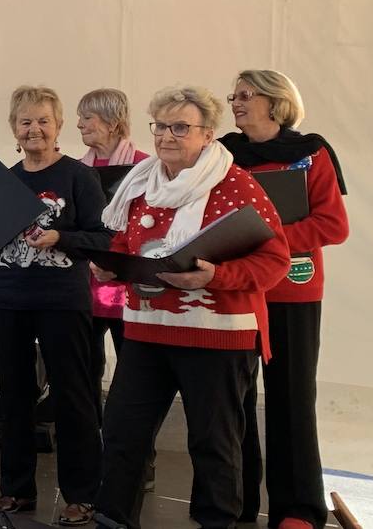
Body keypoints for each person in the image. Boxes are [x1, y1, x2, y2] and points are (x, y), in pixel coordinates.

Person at [92, 85, 291, 529]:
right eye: (160, 126)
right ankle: (113, 518)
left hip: (216, 334)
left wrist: (216, 277)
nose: (166, 136)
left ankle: (216, 523)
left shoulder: (237, 184)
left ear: (208, 134)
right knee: (123, 434)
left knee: (213, 443)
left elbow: (275, 260)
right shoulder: (141, 182)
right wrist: (113, 266)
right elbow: (127, 242)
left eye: (180, 127)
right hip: (145, 329)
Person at [0, 85, 108, 524]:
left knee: (73, 396)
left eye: (43, 120)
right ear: (14, 128)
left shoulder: (78, 177)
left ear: (58, 126)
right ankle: (17, 490)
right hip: (8, 299)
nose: (34, 129)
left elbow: (103, 239)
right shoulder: (3, 180)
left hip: (62, 300)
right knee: (14, 397)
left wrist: (60, 237)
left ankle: (81, 494)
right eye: (25, 121)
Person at [221, 70, 348, 529]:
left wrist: (270, 239)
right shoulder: (221, 154)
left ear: (276, 102)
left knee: (291, 397)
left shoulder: (311, 152)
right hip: (235, 288)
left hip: (293, 290)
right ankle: (235, 502)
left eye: (245, 95)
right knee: (231, 399)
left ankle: (297, 510)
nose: (235, 102)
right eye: (232, 95)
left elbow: (333, 225)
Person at [75, 89, 148, 422]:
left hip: (128, 287)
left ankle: (131, 448)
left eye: (87, 117)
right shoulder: (76, 170)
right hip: (85, 287)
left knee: (135, 375)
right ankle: (90, 437)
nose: (79, 125)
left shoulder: (146, 167)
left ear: (112, 122)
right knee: (85, 370)